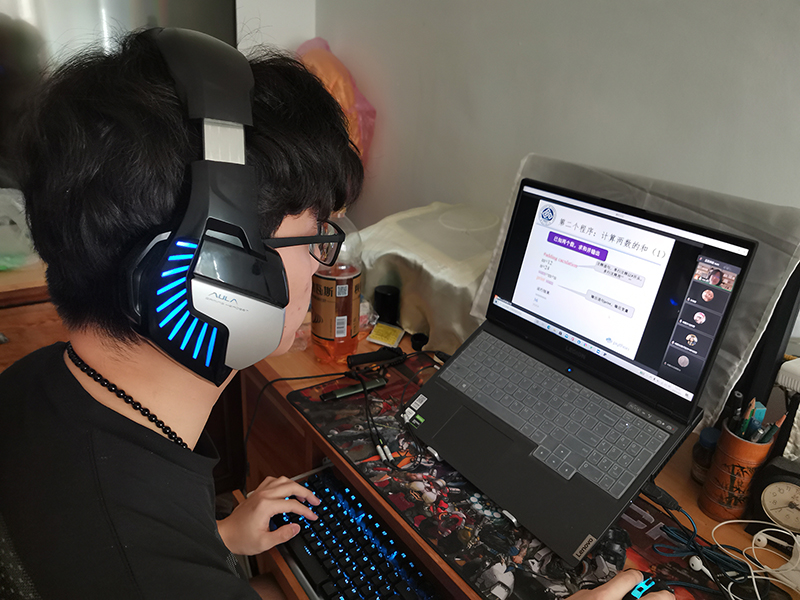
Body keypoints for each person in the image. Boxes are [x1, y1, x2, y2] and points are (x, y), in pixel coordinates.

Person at [0, 29, 672, 600]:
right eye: (317, 237)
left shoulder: (32, 389)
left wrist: (215, 539)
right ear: (216, 269)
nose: (325, 264)